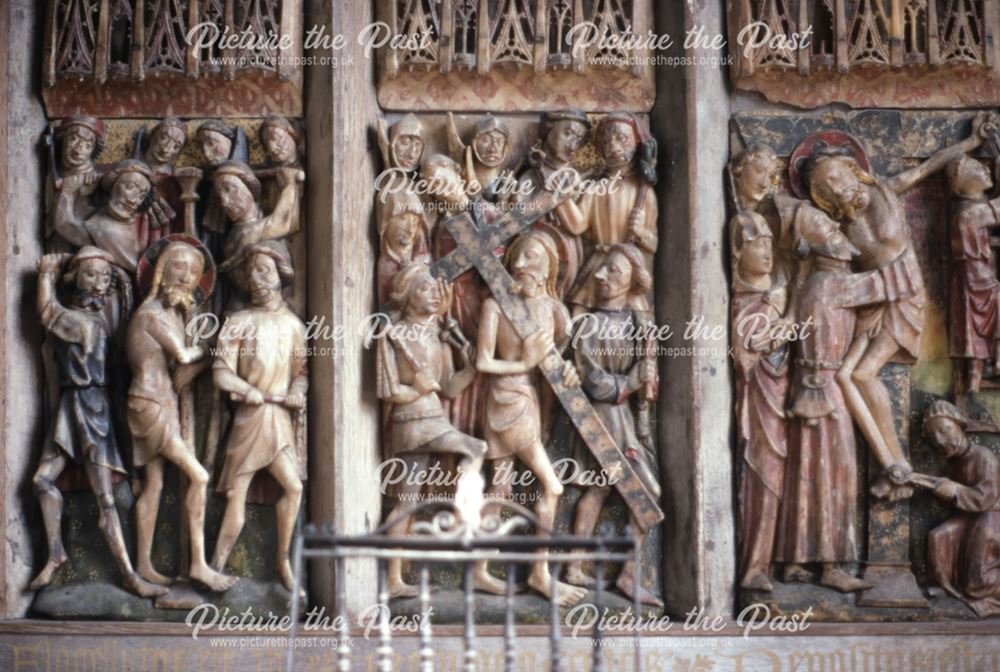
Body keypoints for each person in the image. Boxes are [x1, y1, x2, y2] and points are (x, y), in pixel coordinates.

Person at [30, 249, 166, 598]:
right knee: (41, 481)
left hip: (92, 409)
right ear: (75, 278)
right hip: (71, 405)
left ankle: (128, 574)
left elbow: (47, 312)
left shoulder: (86, 325)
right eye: (91, 274)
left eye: (105, 277)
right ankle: (56, 553)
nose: (98, 282)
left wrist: (46, 274)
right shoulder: (86, 320)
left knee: (105, 498)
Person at [776, 200, 889, 592]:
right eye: (830, 228)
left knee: (806, 472)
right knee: (835, 473)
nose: (840, 231)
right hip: (825, 389)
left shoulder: (812, 283)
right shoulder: (835, 284)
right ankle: (831, 566)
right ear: (823, 247)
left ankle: (794, 561)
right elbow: (894, 279)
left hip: (808, 387)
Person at [474, 230, 585, 606]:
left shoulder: (555, 311)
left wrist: (573, 372)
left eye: (531, 258)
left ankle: (478, 569)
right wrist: (522, 363)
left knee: (500, 489)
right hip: (508, 400)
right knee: (552, 487)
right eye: (518, 257)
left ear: (549, 265)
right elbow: (482, 361)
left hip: (530, 401)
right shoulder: (495, 305)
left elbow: (565, 364)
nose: (521, 265)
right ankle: (540, 575)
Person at [127, 241, 236, 592]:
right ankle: (199, 565)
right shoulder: (153, 315)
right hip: (151, 404)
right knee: (199, 476)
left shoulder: (172, 312)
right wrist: (215, 347)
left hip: (161, 401)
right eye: (179, 267)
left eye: (193, 272)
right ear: (160, 271)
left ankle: (144, 563)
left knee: (155, 484)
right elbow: (185, 357)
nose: (187, 277)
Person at [376, 262, 486, 597]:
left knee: (407, 502)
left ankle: (394, 579)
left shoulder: (435, 336)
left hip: (434, 419)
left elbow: (449, 388)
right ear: (406, 296)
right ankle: (460, 513)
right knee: (476, 449)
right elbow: (388, 391)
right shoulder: (395, 336)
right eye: (423, 288)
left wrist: (470, 366)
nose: (433, 294)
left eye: (434, 289)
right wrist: (420, 390)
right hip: (411, 422)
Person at [565, 243, 662, 606]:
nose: (602, 276)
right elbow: (592, 379)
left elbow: (647, 383)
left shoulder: (639, 323)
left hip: (626, 420)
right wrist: (631, 382)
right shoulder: (588, 324)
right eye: (602, 269)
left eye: (614, 272)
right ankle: (612, 571)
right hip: (601, 417)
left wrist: (648, 380)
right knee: (636, 491)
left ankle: (615, 571)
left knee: (603, 489)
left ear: (632, 282)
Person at [211, 241, 309, 592]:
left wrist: (297, 392)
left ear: (280, 273)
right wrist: (245, 388)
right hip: (250, 419)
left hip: (278, 418)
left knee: (294, 487)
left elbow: (302, 372)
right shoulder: (238, 322)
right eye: (251, 271)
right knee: (237, 493)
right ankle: (216, 565)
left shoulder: (295, 325)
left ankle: (283, 561)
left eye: (264, 270)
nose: (256, 278)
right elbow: (221, 372)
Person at [730, 211, 792, 592]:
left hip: (792, 400)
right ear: (737, 252)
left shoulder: (781, 293)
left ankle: (787, 560)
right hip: (761, 404)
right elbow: (744, 357)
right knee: (762, 478)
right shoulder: (744, 301)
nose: (766, 251)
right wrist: (776, 337)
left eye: (769, 243)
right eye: (756, 243)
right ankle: (755, 565)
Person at [921, 400, 1000, 618]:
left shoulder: (983, 457)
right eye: (932, 436)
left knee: (978, 580)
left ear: (959, 425)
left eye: (944, 430)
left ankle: (981, 589)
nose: (939, 440)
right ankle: (946, 585)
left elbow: (985, 498)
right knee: (938, 537)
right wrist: (943, 492)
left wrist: (955, 489)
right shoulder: (953, 462)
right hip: (969, 516)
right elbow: (952, 501)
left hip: (991, 517)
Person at [945, 155, 1000, 395]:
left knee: (972, 332)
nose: (985, 169)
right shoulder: (970, 212)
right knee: (974, 328)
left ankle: (975, 379)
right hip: (978, 279)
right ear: (965, 183)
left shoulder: (967, 209)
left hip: (974, 277)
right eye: (979, 168)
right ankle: (983, 372)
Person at [53, 159, 155, 274]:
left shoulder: (107, 229)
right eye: (130, 187)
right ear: (113, 185)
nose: (134, 200)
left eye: (141, 196)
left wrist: (68, 193)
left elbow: (64, 225)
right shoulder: (102, 218)